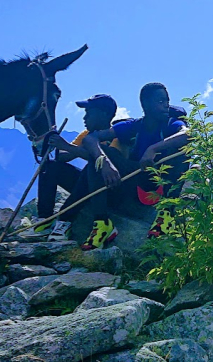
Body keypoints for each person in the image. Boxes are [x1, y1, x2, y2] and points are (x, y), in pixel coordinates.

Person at [80, 82, 189, 244]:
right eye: (160, 101)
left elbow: (187, 134)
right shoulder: (134, 126)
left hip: (163, 183)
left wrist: (152, 149)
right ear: (145, 104)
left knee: (182, 149)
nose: (166, 105)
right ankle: (102, 223)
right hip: (136, 183)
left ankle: (167, 213)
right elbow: (90, 138)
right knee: (100, 155)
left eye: (167, 101)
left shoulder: (171, 124)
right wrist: (105, 163)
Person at [20, 93, 120, 243]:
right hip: (86, 185)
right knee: (51, 167)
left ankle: (65, 221)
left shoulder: (116, 137)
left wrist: (67, 146)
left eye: (89, 113)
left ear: (104, 115)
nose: (84, 118)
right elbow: (64, 157)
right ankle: (44, 219)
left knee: (92, 168)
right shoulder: (86, 134)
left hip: (106, 188)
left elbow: (103, 160)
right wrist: (54, 144)